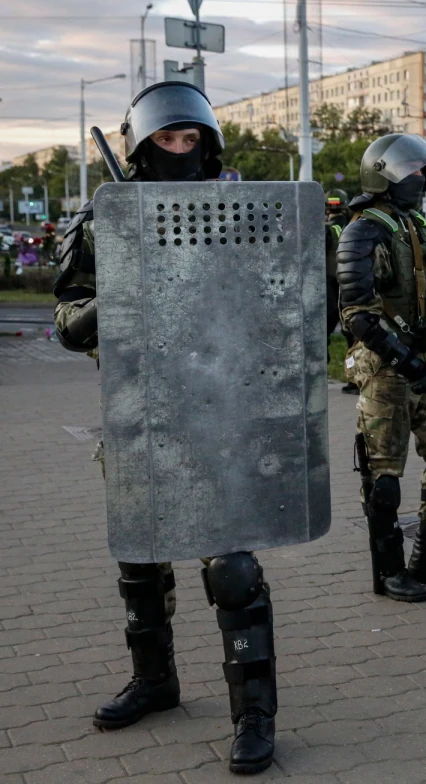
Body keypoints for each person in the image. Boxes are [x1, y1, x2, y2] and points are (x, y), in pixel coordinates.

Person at [52, 81, 278, 773]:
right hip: (137, 413)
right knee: (140, 559)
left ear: (207, 147)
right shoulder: (101, 221)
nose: (179, 152)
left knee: (233, 570)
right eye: (165, 141)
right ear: (140, 147)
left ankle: (255, 715)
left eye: (190, 141)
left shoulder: (235, 214)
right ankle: (155, 680)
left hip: (217, 410)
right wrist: (123, 291)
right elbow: (66, 322)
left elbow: (281, 301)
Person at [336, 134, 426, 603]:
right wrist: (407, 360)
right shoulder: (364, 230)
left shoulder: (417, 225)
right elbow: (357, 314)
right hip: (386, 369)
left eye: (422, 169)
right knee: (383, 475)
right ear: (384, 174)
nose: (421, 178)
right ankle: (391, 569)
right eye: (412, 170)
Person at [324, 188, 359, 395]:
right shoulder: (352, 225)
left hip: (330, 286)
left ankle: (318, 373)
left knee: (321, 334)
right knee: (352, 336)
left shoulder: (327, 228)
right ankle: (355, 379)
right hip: (349, 286)